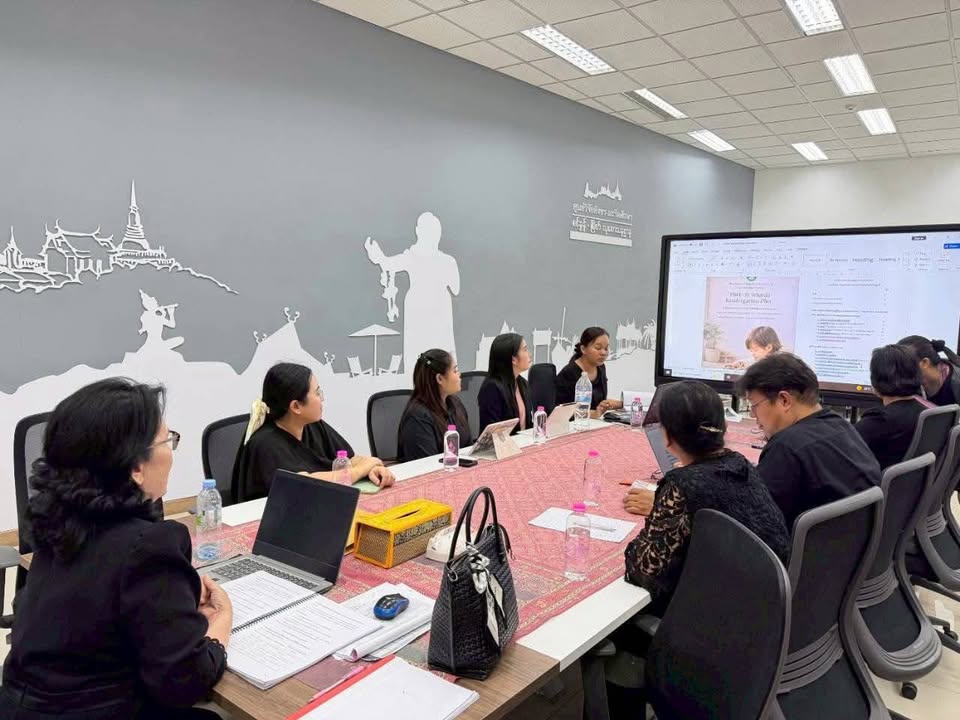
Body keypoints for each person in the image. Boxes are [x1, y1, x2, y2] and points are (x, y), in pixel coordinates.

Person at [0, 378, 231, 719]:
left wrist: (169, 598)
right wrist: (221, 624)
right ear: (136, 467)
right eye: (167, 440)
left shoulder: (58, 526)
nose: (171, 451)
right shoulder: (150, 547)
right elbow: (184, 681)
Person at [622, 381, 789, 614]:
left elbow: (643, 570)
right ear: (724, 427)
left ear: (667, 437)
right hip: (771, 606)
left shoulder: (683, 484)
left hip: (716, 618)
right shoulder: (740, 464)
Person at [737, 353, 880, 530]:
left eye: (754, 405)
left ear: (784, 400)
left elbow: (752, 518)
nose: (752, 414)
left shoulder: (787, 447)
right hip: (855, 542)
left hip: (804, 545)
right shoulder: (841, 426)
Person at [234, 363, 395, 502]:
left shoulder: (313, 425)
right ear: (296, 406)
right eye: (317, 393)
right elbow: (306, 484)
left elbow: (350, 459)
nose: (322, 399)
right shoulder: (265, 444)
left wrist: (372, 470)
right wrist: (361, 470)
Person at [364, 212, 461, 373]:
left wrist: (379, 257)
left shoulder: (445, 260)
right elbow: (455, 288)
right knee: (420, 354)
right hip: (420, 308)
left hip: (433, 308)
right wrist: (379, 257)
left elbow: (388, 263)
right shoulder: (441, 260)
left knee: (433, 354)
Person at [855, 345, 929, 470]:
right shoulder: (925, 412)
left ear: (877, 380)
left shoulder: (880, 419)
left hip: (874, 480)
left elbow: (842, 448)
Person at [397, 349, 473, 461]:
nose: (459, 375)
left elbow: (468, 447)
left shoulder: (455, 403)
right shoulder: (417, 417)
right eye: (455, 371)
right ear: (440, 378)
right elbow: (426, 464)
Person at [555, 327, 623, 417]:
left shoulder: (601, 368)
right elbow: (562, 410)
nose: (603, 353)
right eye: (598, 348)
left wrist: (611, 405)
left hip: (596, 422)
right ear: (583, 349)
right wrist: (592, 414)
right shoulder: (569, 373)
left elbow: (598, 402)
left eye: (606, 348)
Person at [478, 333, 532, 434]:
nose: (529, 354)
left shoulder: (522, 383)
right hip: (502, 443)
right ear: (513, 359)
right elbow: (493, 432)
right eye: (525, 349)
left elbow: (528, 425)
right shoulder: (492, 388)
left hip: (523, 441)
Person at [898, 335, 960, 407]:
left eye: (903, 365)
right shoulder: (908, 387)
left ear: (925, 363)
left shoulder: (956, 382)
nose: (899, 372)